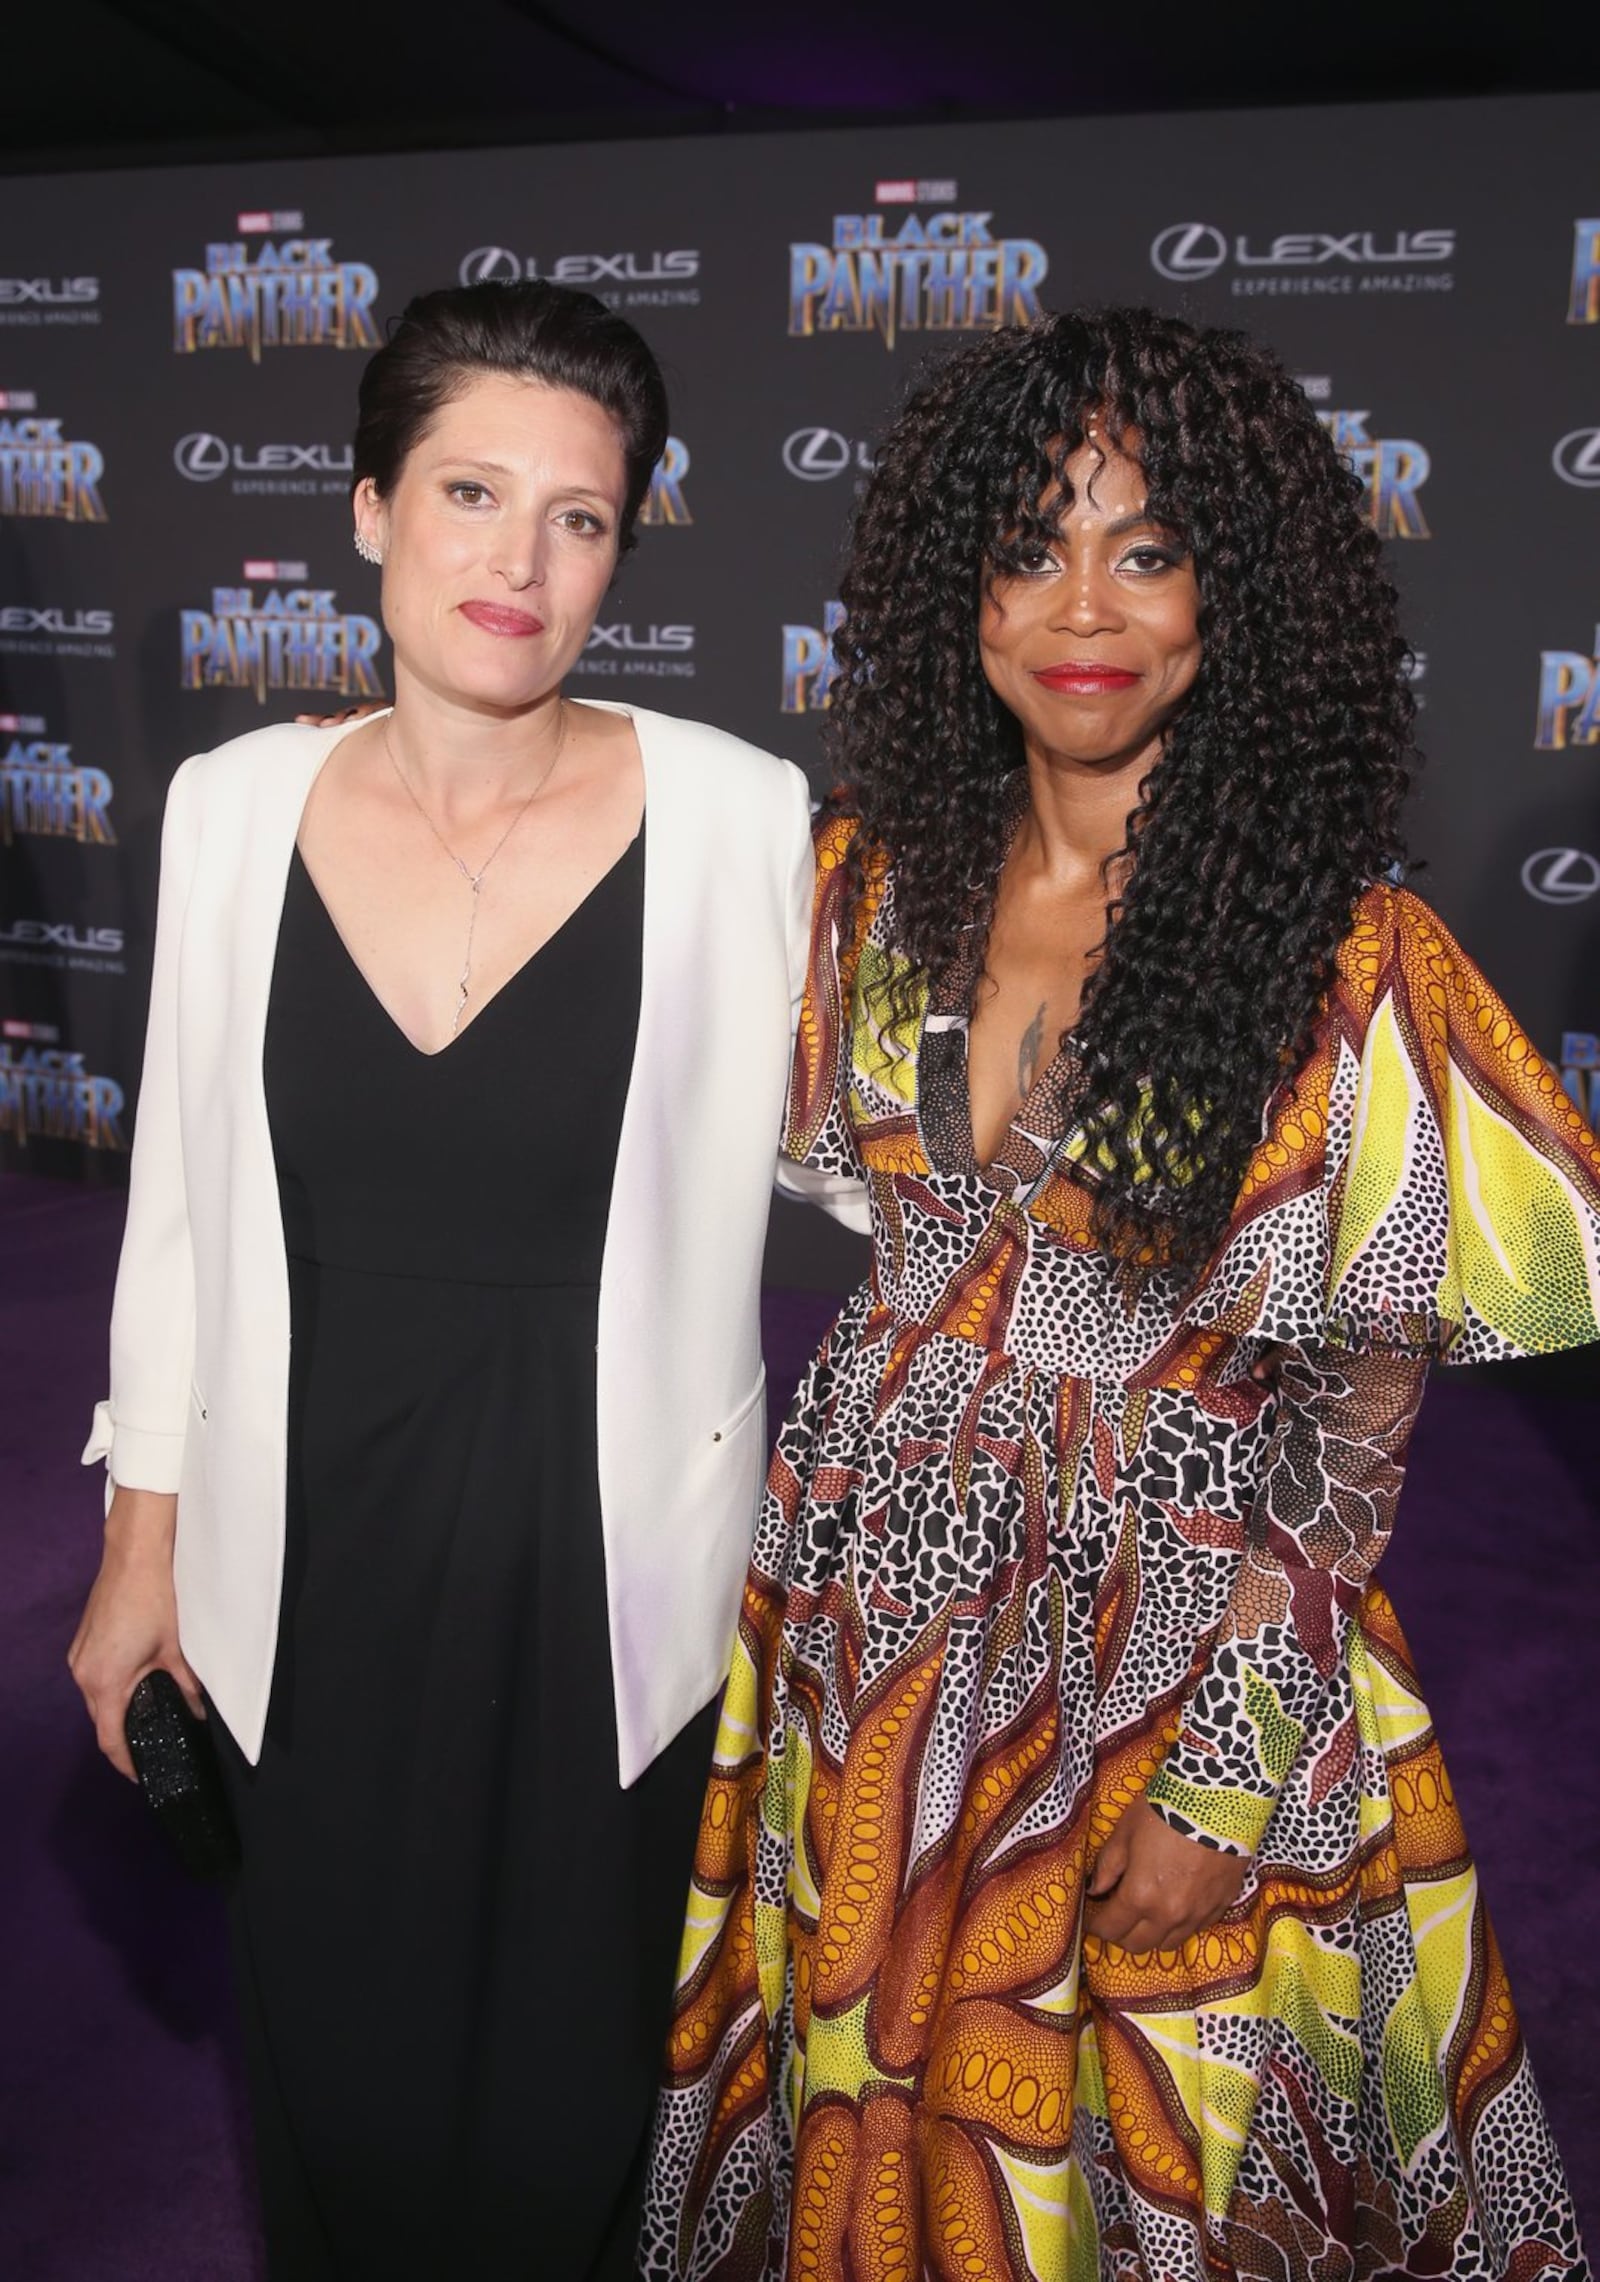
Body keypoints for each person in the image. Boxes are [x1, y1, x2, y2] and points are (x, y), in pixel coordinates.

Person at [643, 308, 1599, 2280]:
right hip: (863, 1624)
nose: (1082, 608)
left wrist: (1224, 1779)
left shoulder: (1345, 957)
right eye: (1026, 547)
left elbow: (1349, 1421)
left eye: (1144, 548)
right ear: (951, 595)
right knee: (864, 2109)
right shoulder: (850, 888)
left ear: (1229, 592)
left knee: (1148, 2135)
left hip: (1167, 1646)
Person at [67, 279, 855, 2281]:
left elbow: (884, 1169)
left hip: (606, 1588)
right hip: (304, 1566)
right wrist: (137, 1553)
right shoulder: (230, 812)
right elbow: (174, 1205)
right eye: (471, 492)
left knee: (581, 2117)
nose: (518, 561)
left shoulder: (735, 821)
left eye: (578, 516)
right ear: (367, 510)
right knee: (333, 2084)